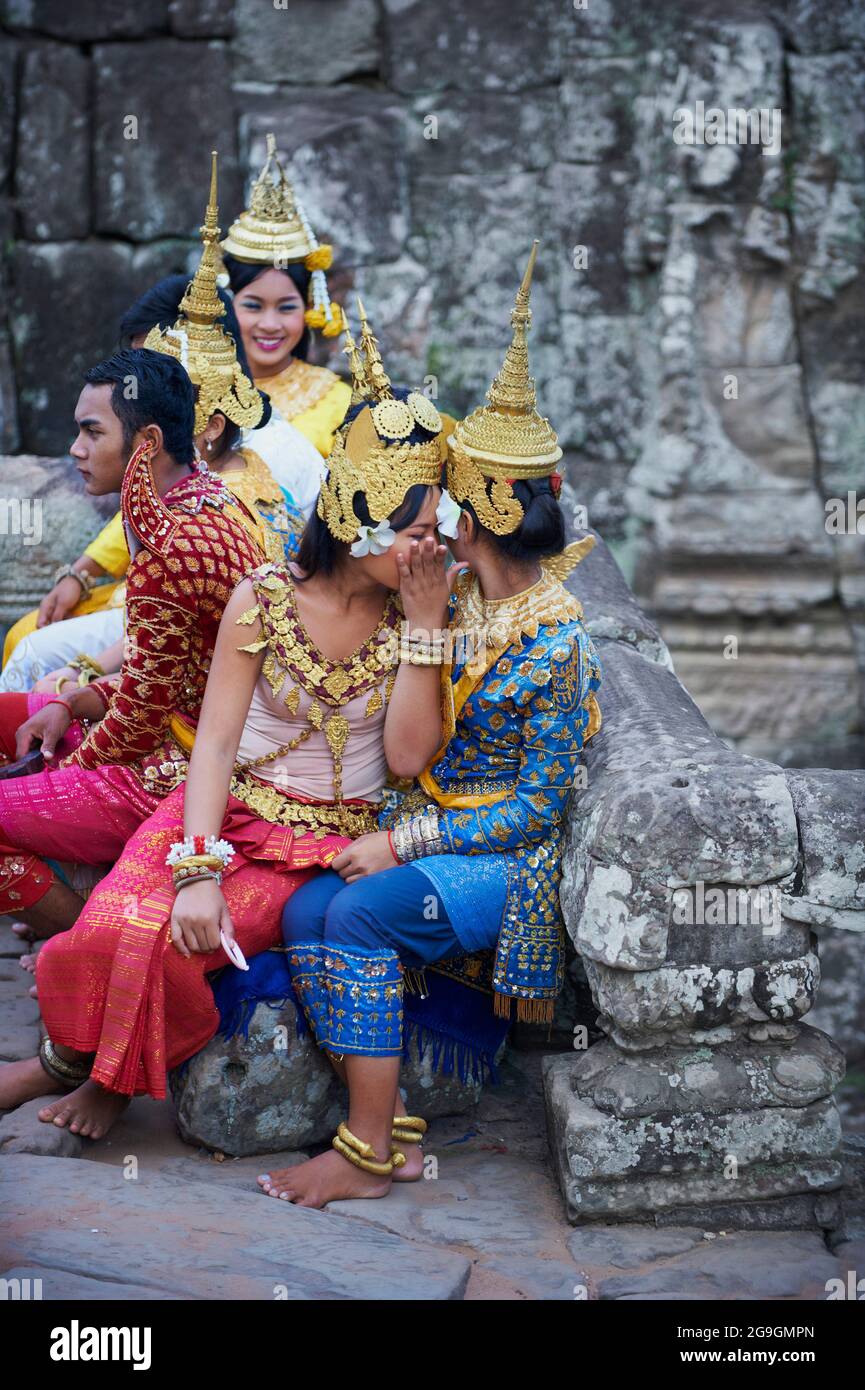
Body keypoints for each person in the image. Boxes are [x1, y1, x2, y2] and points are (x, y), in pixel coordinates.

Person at [0, 309, 458, 1142]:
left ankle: (80, 1076)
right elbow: (212, 743)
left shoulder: (416, 621)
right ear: (360, 516)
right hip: (212, 812)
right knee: (100, 930)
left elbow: (405, 756)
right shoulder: (267, 595)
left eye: (438, 532)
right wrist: (199, 866)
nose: (433, 550)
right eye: (418, 531)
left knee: (155, 940)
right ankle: (80, 1069)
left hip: (315, 839)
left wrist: (426, 630)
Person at [261, 242, 602, 1207]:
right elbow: (412, 744)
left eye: (455, 498)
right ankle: (396, 1120)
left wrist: (403, 839)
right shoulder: (452, 605)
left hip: (510, 858)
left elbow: (538, 808)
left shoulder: (557, 643)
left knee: (361, 913)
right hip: (432, 818)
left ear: (488, 507)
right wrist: (418, 623)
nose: (438, 515)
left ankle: (365, 1152)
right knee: (303, 912)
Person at [0, 345, 263, 939]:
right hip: (182, 728)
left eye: (92, 432)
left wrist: (52, 770)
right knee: (15, 717)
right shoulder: (208, 499)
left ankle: (78, 940)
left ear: (144, 442)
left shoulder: (171, 545)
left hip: (183, 771)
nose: (76, 449)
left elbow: (139, 725)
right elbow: (169, 675)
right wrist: (76, 699)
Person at [222, 133, 351, 483]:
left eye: (286, 308)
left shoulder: (338, 404)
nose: (269, 323)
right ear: (226, 304)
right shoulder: (195, 391)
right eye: (252, 305)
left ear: (309, 308)